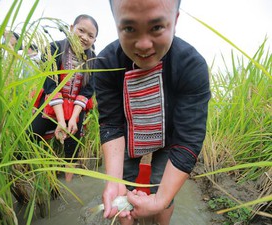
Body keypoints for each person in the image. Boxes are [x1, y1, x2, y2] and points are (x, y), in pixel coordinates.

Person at [93, 0, 211, 224]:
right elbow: (111, 125)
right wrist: (113, 182)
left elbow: (188, 139)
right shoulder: (107, 63)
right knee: (121, 187)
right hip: (128, 134)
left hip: (171, 138)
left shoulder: (191, 65)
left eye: (156, 28)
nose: (144, 45)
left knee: (161, 188)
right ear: (116, 25)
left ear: (175, 21)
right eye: (129, 29)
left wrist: (159, 200)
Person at [30, 14, 98, 182]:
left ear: (94, 40)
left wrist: (73, 119)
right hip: (51, 103)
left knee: (72, 147)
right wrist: (61, 120)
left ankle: (68, 185)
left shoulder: (93, 61)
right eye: (81, 31)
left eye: (90, 36)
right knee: (31, 135)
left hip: (76, 106)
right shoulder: (54, 48)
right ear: (71, 28)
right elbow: (51, 85)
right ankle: (30, 176)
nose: (84, 37)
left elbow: (87, 91)